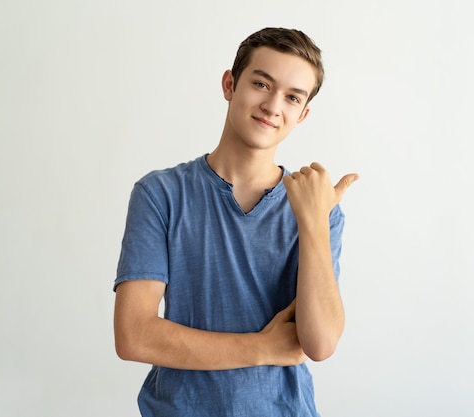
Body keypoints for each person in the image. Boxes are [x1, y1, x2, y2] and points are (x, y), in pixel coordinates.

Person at [113, 27, 359, 416]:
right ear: (230, 83)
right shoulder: (160, 194)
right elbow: (134, 336)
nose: (273, 106)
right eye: (261, 83)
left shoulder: (319, 208)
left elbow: (320, 343)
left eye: (292, 97)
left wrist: (312, 222)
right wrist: (262, 347)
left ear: (302, 114)